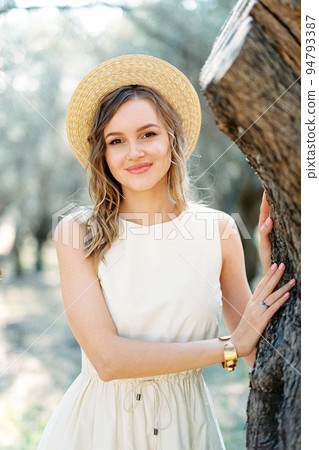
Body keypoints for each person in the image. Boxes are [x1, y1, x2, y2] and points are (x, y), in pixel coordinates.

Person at [37, 55, 295, 450]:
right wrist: (227, 347)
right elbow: (108, 360)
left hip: (188, 428)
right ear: (103, 155)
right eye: (116, 141)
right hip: (100, 429)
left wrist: (270, 260)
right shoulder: (77, 233)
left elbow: (257, 351)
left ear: (172, 137)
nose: (134, 152)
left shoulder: (220, 230)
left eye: (148, 134)